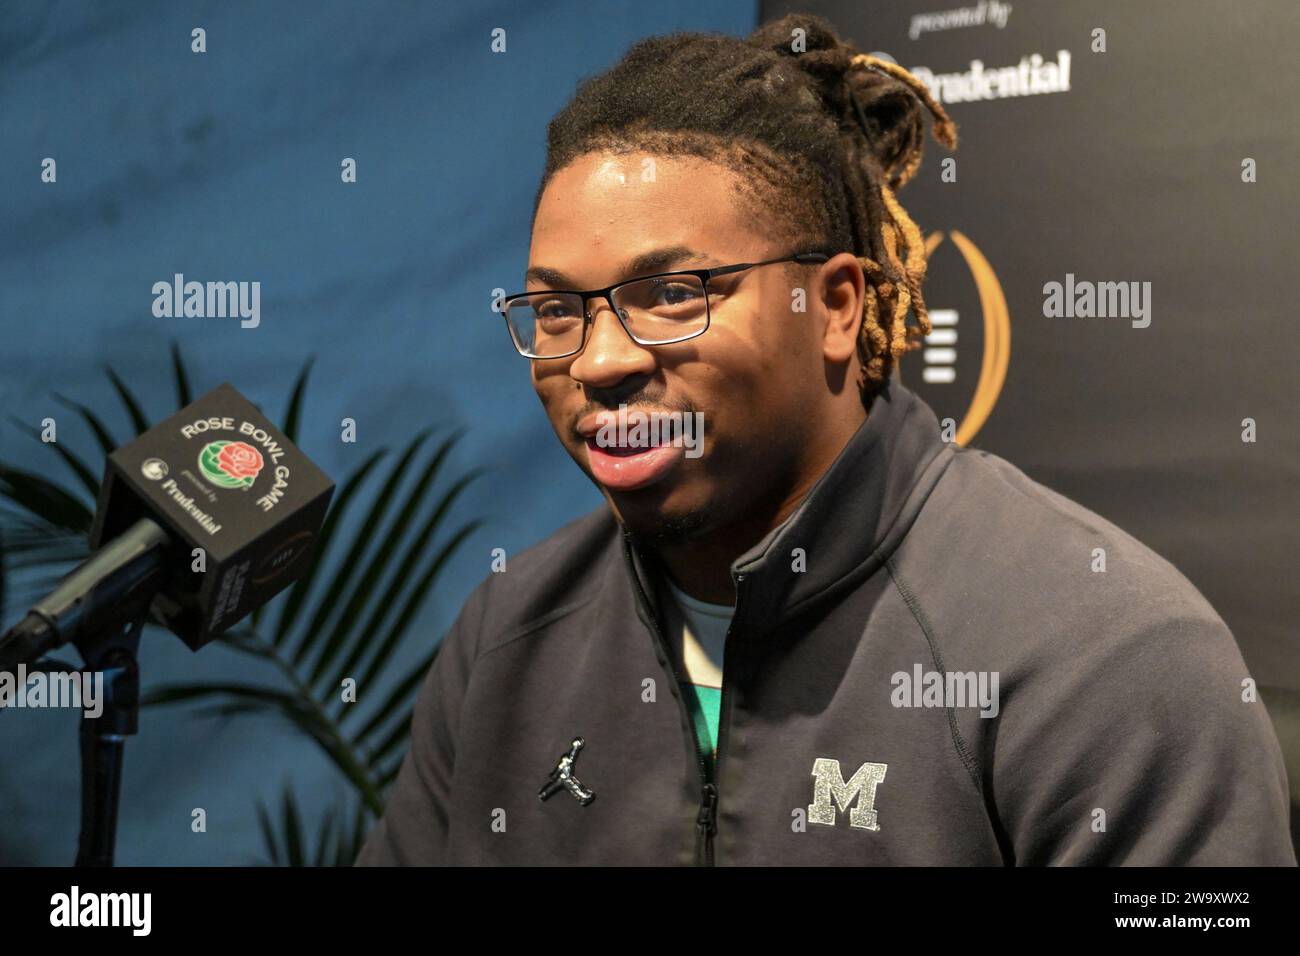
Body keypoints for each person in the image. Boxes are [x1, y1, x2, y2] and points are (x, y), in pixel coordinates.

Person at [355, 14, 1295, 866]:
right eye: (558, 309)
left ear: (836, 305)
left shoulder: (1107, 654)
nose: (598, 361)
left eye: (675, 295)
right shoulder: (507, 642)